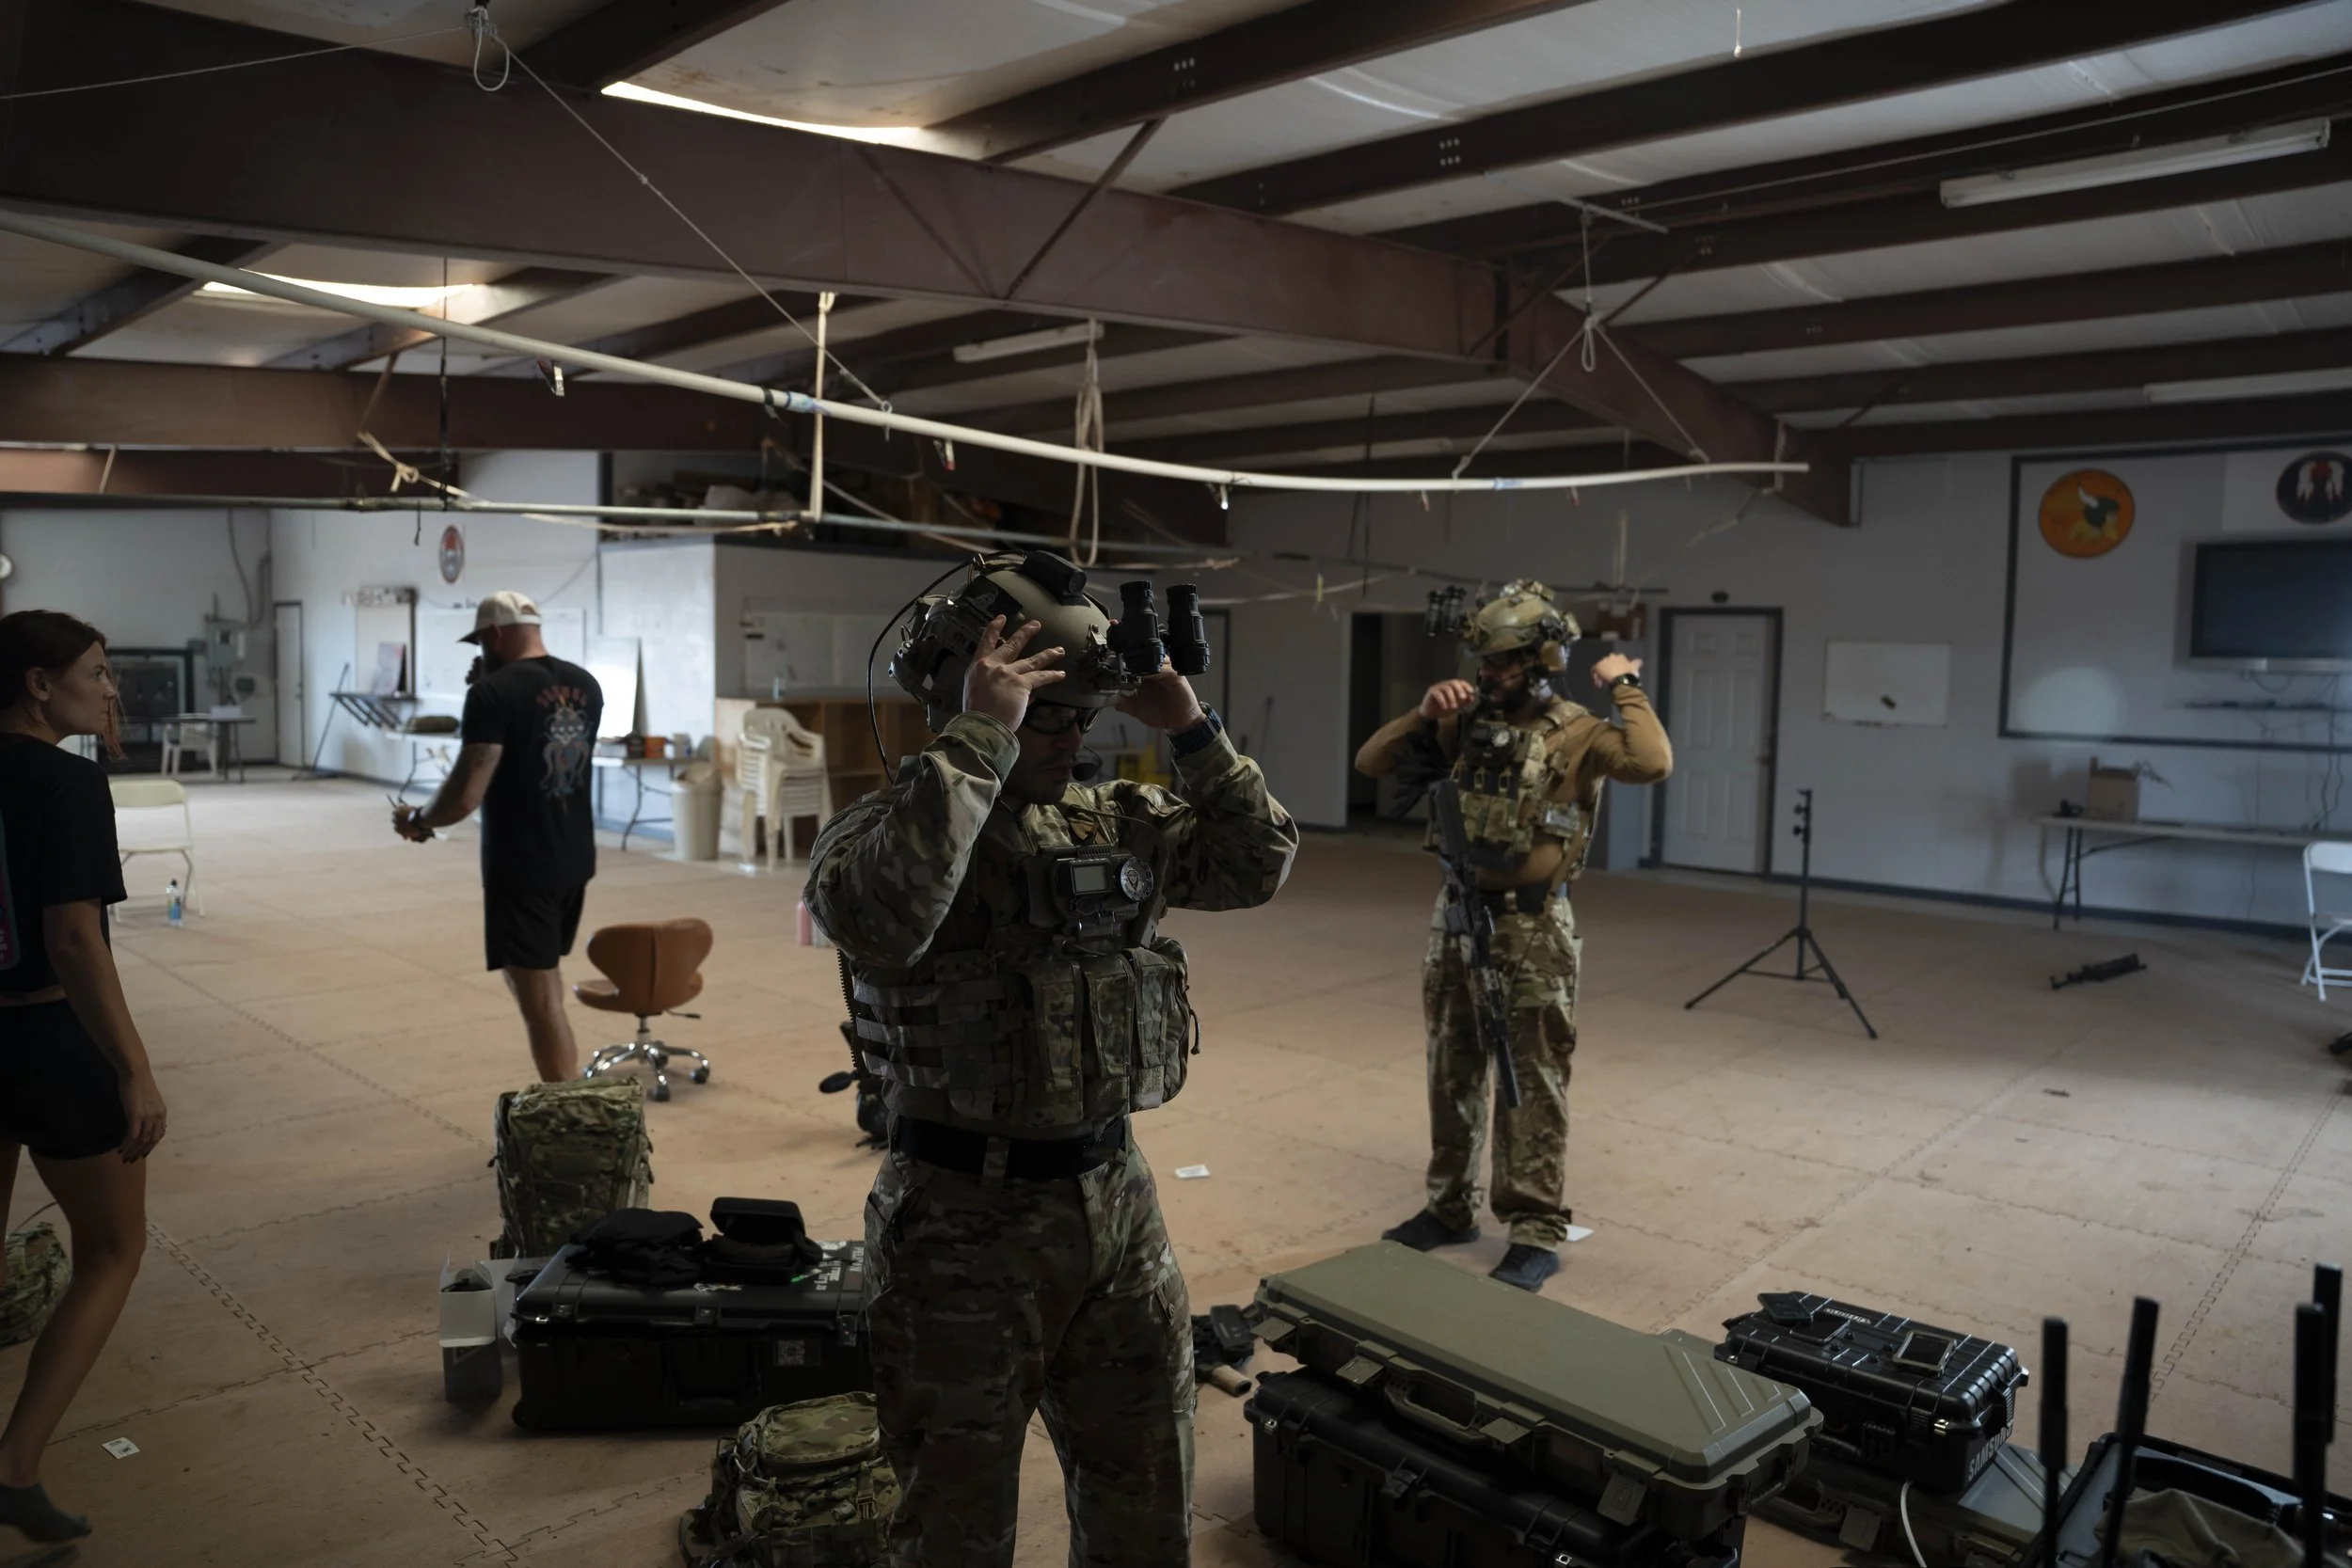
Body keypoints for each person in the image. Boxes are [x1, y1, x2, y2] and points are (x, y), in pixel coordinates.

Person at [806, 551, 1296, 1567]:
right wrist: (980, 733)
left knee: (1145, 1502)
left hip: (1114, 1204)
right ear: (967, 704)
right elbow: (880, 914)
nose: (1074, 735)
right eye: (1050, 713)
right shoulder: (885, 831)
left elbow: (1256, 863)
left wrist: (1191, 730)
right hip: (959, 1225)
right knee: (957, 1524)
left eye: (1084, 715)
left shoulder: (1104, 819)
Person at [1355, 579, 1671, 1291]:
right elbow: (1371, 763)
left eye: (1500, 663)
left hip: (1535, 924)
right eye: (1483, 662)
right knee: (1452, 1066)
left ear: (1540, 659)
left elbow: (1652, 761)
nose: (1486, 675)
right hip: (1459, 916)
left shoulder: (1581, 731)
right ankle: (1447, 1209)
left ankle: (1533, 1227)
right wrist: (1422, 712)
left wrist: (1624, 685)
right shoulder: (1462, 724)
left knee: (1533, 1077)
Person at [0, 610, 169, 1544]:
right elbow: (73, 939)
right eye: (97, 673)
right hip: (51, 1044)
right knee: (110, 1248)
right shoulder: (64, 782)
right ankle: (15, 1462)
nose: (111, 690)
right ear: (37, 682)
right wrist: (133, 1069)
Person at [392, 592, 602, 1083]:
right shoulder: (586, 684)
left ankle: (566, 1117)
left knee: (540, 1001)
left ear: (496, 635)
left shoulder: (490, 694)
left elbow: (466, 793)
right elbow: (540, 734)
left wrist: (419, 820)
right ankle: (569, 1099)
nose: (478, 653)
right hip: (574, 857)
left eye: (481, 642)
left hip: (522, 862)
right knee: (545, 984)